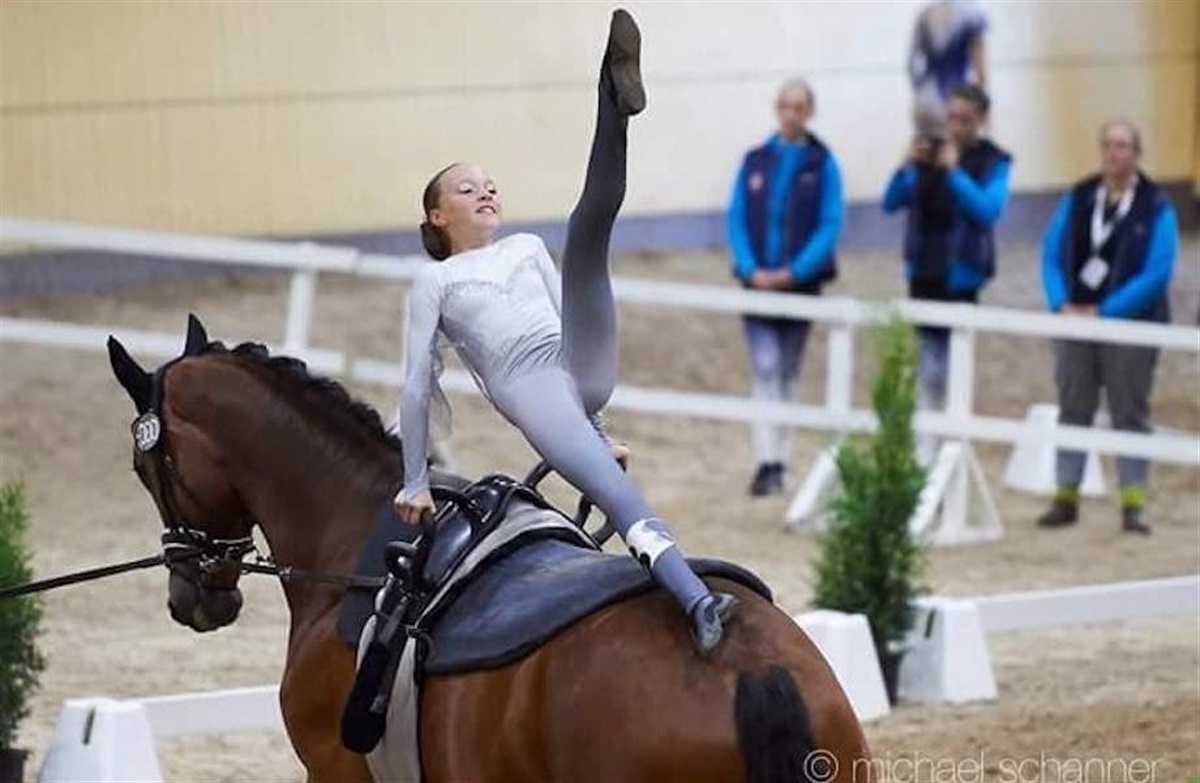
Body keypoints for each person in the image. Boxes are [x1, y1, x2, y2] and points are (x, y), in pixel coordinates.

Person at [392, 10, 736, 656]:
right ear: (438, 215)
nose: (486, 192)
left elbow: (567, 318)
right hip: (530, 387)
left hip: (576, 363)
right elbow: (417, 385)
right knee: (616, 493)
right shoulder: (434, 281)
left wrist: (600, 432)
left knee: (585, 233)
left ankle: (613, 98)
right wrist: (414, 479)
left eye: (490, 185)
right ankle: (695, 599)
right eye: (467, 189)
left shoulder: (524, 247)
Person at [1037, 119, 1178, 535]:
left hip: (1130, 327)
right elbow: (1050, 254)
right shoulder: (1079, 197)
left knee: (1129, 411)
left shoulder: (1156, 205)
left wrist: (1106, 312)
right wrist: (1060, 303)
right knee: (1072, 406)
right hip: (1075, 322)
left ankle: (1133, 503)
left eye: (1122, 145)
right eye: (1108, 145)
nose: (1114, 153)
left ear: (1137, 153)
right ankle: (1066, 495)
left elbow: (1157, 272)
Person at [882, 84, 1011, 463]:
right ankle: (925, 451)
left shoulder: (993, 161)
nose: (954, 126)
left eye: (964, 119)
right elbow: (891, 201)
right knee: (927, 368)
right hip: (923, 271)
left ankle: (952, 449)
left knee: (955, 368)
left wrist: (955, 174)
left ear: (980, 119)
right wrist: (904, 165)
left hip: (961, 276)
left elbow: (988, 209)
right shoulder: (925, 155)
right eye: (950, 118)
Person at [727, 78, 844, 496]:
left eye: (799, 107)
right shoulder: (756, 160)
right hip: (758, 284)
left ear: (809, 112)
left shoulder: (822, 163)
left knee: (789, 369)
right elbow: (737, 216)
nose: (791, 114)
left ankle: (781, 456)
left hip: (799, 286)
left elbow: (830, 222)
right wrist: (749, 267)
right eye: (785, 106)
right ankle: (765, 458)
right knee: (765, 366)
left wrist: (796, 271)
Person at [908, 0, 988, 128]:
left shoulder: (925, 14)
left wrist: (919, 92)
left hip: (927, 96)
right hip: (959, 95)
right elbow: (979, 68)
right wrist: (982, 107)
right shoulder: (971, 15)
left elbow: (913, 62)